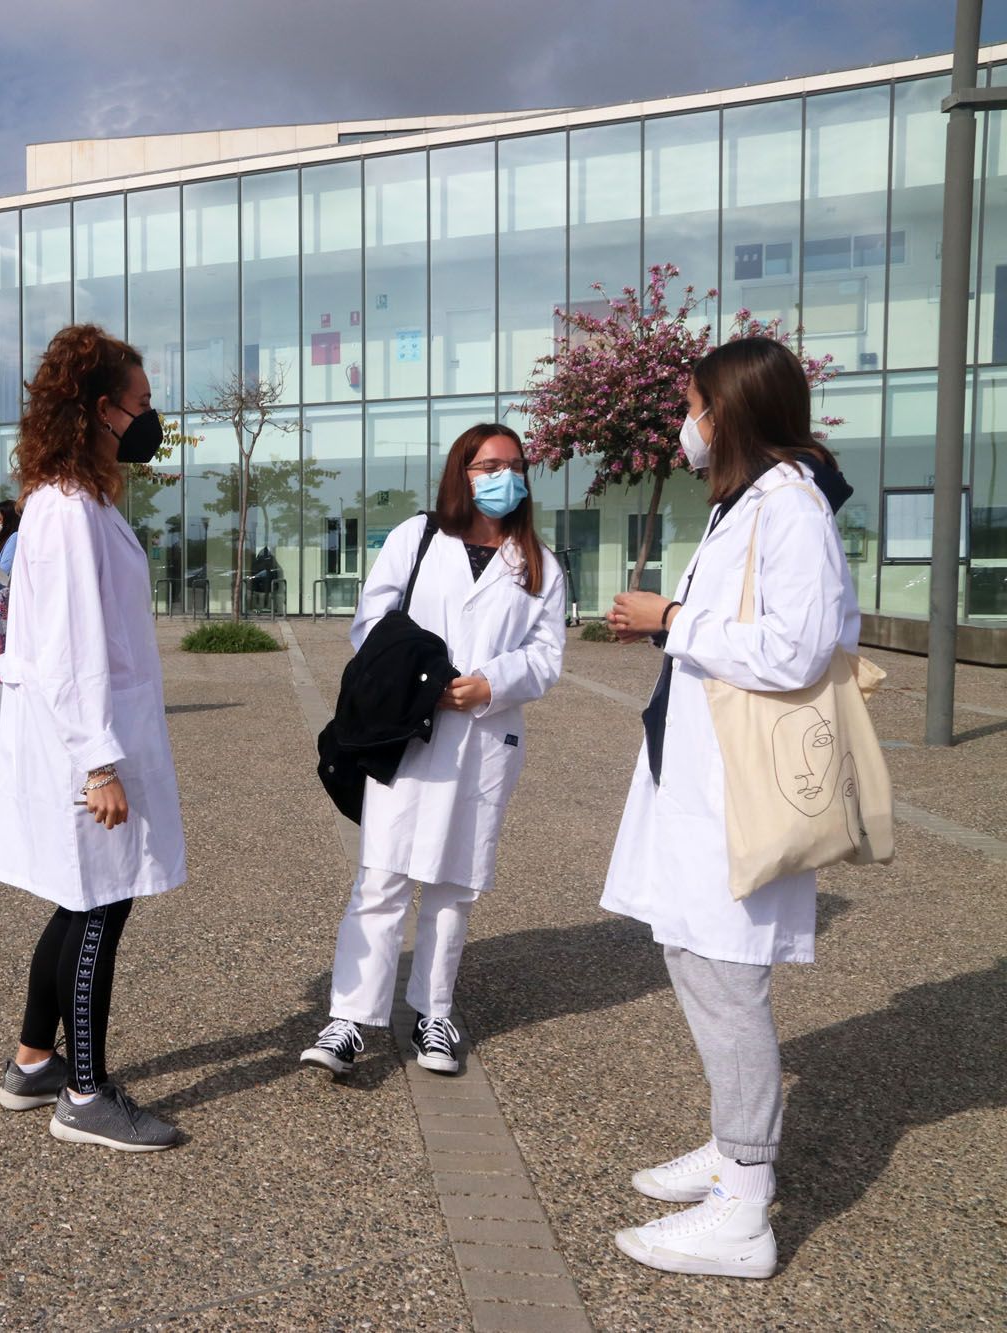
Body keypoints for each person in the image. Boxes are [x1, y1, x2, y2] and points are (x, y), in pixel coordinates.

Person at [599, 337, 859, 1281]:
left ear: (733, 410)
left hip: (739, 791)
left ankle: (745, 1204)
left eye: (696, 404)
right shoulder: (749, 502)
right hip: (704, 778)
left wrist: (670, 620)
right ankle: (730, 1144)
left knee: (726, 970)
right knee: (694, 953)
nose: (688, 422)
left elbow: (798, 648)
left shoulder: (788, 507)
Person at [300, 423, 564, 1082]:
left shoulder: (539, 562)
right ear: (461, 472)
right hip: (410, 732)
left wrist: (491, 683)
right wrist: (425, 680)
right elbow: (370, 622)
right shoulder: (416, 539)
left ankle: (433, 1011)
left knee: (455, 882)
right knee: (382, 874)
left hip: (483, 737)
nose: (501, 474)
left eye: (513, 464)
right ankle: (350, 1018)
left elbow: (547, 657)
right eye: (486, 464)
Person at [0, 323, 187, 1152]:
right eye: (141, 404)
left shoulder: (75, 498)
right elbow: (70, 644)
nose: (151, 419)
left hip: (89, 730)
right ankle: (83, 1091)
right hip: (87, 739)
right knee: (103, 902)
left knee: (80, 899)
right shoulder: (68, 508)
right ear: (104, 410)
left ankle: (34, 1063)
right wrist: (98, 762)